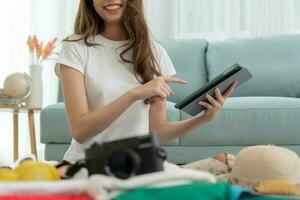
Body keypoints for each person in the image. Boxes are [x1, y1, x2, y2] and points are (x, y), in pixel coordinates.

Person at [55, 0, 237, 163]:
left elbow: (157, 131)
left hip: (136, 167)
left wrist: (204, 119)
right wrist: (134, 94)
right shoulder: (75, 47)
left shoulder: (154, 52)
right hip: (86, 165)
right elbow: (80, 131)